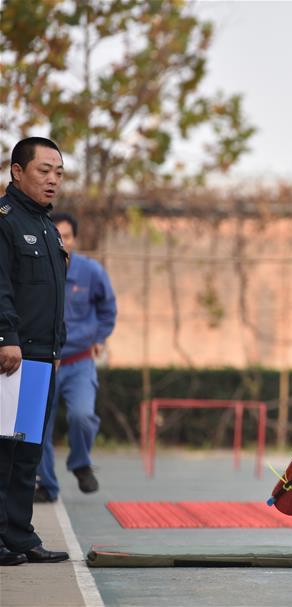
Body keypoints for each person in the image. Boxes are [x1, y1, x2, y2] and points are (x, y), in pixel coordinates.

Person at [0, 137, 70, 566]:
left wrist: (56, 346)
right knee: (3, 450)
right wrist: (5, 336)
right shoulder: (5, 222)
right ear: (17, 171)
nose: (52, 180)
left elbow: (52, 297)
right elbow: (1, 286)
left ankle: (19, 535)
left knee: (27, 453)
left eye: (58, 172)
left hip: (41, 358)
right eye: (44, 170)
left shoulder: (47, 227)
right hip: (12, 357)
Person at [34, 212, 117, 503]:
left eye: (66, 236)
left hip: (78, 361)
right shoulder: (36, 269)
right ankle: (47, 485)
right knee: (38, 427)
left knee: (82, 415)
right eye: (56, 236)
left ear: (75, 240)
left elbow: (108, 309)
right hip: (44, 360)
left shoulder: (91, 272)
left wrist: (100, 338)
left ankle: (80, 463)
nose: (62, 241)